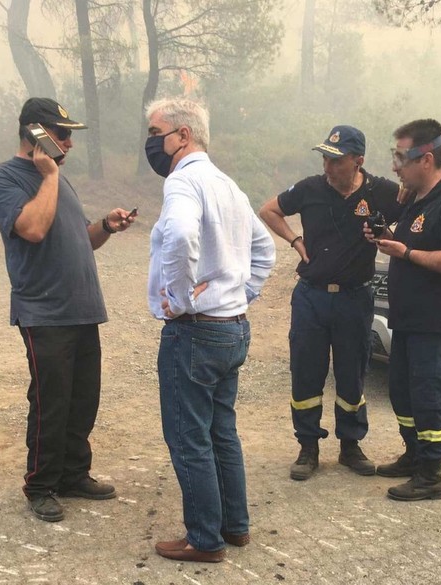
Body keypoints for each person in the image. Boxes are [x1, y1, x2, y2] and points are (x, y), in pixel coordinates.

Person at [0, 97, 136, 522]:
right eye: (61, 134)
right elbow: (32, 229)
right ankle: (41, 484)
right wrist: (47, 173)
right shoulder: (5, 179)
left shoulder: (59, 183)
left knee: (83, 400)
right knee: (51, 401)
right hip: (44, 312)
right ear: (35, 131)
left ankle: (72, 474)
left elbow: (80, 239)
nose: (68, 143)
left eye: (71, 135)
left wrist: (105, 226)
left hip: (84, 309)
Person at [145, 97, 275, 563]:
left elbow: (180, 237)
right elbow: (266, 251)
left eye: (155, 131)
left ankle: (204, 538)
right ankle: (235, 526)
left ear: (183, 135)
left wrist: (180, 302)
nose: (151, 142)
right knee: (221, 430)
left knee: (189, 436)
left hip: (197, 332)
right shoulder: (227, 185)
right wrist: (242, 293)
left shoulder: (184, 182)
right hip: (232, 329)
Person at [259, 125, 404, 481]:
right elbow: (269, 210)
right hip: (311, 297)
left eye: (336, 160)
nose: (328, 166)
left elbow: (413, 219)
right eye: (325, 158)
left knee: (352, 373)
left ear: (358, 161)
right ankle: (308, 446)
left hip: (355, 298)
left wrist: (388, 236)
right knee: (306, 372)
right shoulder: (309, 189)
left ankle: (350, 446)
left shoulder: (383, 192)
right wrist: (294, 240)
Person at [368, 118, 441, 501]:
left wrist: (407, 252)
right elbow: (409, 240)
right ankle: (415, 455)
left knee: (429, 396)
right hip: (407, 319)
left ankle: (432, 475)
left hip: (435, 321)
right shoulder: (417, 200)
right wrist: (387, 237)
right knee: (403, 392)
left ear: (426, 159)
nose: (395, 166)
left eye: (400, 157)